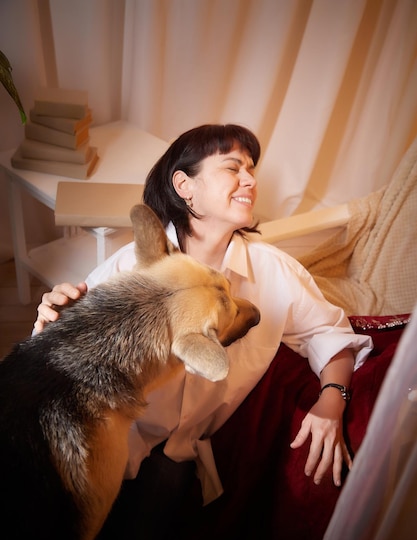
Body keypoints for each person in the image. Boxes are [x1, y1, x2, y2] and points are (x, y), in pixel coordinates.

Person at [35, 123, 373, 501]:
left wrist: (332, 400)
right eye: (233, 168)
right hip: (107, 445)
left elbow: (331, 335)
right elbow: (63, 360)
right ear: (185, 187)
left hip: (181, 459)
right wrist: (49, 322)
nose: (249, 180)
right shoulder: (131, 267)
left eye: (251, 170)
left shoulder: (275, 271)